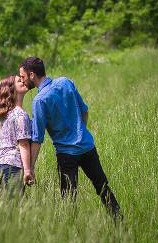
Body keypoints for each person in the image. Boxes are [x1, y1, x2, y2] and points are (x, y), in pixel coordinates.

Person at [19, 56, 122, 220]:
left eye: (23, 77)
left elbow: (37, 139)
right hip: (88, 147)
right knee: (102, 187)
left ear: (32, 75)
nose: (23, 81)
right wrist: (80, 131)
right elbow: (85, 110)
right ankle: (120, 222)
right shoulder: (65, 82)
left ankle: (70, 231)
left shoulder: (40, 100)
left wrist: (29, 169)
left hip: (67, 156)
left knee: (68, 200)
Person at [0, 74, 34, 194]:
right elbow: (23, 145)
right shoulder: (20, 115)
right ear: (11, 89)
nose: (24, 81)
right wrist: (27, 171)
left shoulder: (5, 115)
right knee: (17, 208)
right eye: (19, 81)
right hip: (12, 166)